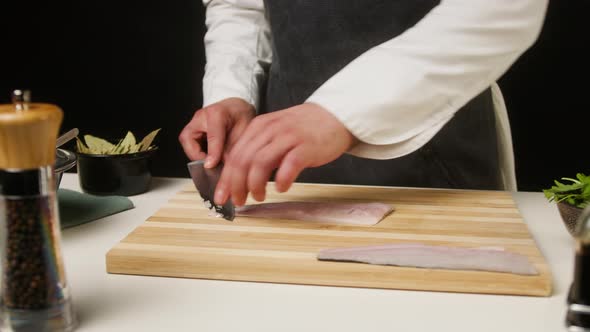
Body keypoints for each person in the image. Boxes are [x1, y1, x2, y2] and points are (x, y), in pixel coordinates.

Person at [179, 0, 548, 207]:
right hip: (290, 180)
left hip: (439, 162)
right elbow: (240, 6)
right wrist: (231, 90)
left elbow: (505, 7)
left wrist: (341, 112)